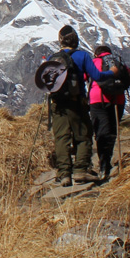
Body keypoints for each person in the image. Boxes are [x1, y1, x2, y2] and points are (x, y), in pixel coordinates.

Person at [49, 26, 115, 187]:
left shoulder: (53, 57)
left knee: (61, 137)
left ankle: (64, 174)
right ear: (76, 40)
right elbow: (97, 76)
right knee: (83, 135)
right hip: (76, 102)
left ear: (61, 40)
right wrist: (112, 72)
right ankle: (81, 170)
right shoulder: (82, 56)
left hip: (57, 104)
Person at [88, 45, 130, 180]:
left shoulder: (94, 62)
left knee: (100, 131)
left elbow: (85, 76)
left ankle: (102, 163)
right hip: (117, 100)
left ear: (97, 54)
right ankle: (107, 162)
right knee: (111, 131)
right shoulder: (119, 62)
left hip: (98, 99)